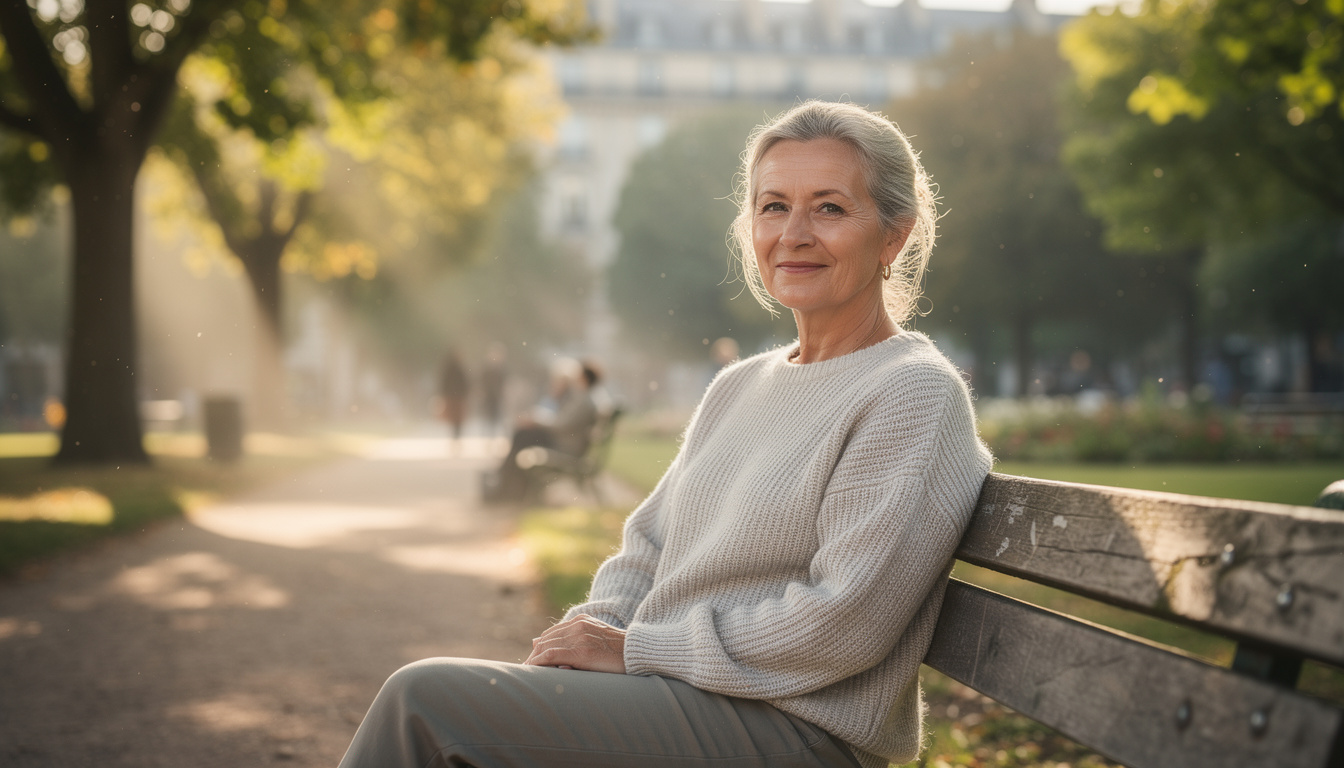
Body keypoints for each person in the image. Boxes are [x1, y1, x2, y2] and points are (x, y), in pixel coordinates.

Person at [338, 101, 993, 768]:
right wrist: (589, 635)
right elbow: (646, 550)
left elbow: (842, 623)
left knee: (424, 703)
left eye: (828, 208)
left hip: (794, 733)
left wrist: (635, 650)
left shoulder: (911, 392)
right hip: (683, 700)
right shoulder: (740, 385)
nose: (793, 233)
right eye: (772, 207)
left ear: (893, 236)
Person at [481, 358, 600, 503]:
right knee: (523, 435)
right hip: (564, 444)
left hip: (564, 448)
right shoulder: (584, 399)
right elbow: (562, 422)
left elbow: (561, 425)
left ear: (583, 377)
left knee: (523, 436)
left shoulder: (583, 400)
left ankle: (504, 487)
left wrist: (536, 421)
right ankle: (507, 487)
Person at [438, 350, 470, 440]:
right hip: (455, 397)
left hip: (456, 396)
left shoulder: (452, 369)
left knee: (455, 418)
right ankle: (455, 436)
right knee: (455, 419)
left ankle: (456, 436)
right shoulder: (455, 369)